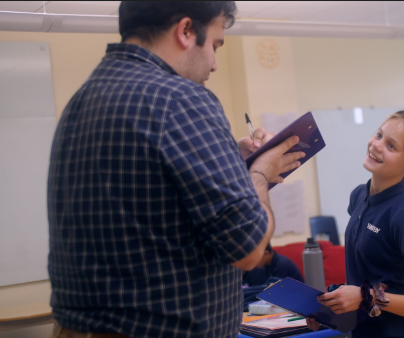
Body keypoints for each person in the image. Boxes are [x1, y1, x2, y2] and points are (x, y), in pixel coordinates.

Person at [47, 2, 306, 338]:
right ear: (185, 31)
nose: (214, 64)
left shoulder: (83, 99)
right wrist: (259, 172)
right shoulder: (181, 98)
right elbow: (249, 246)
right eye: (214, 45)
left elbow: (151, 201)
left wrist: (230, 162)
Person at [307, 110, 404, 338]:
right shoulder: (359, 196)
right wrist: (332, 308)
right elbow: (366, 279)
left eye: (391, 146)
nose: (376, 145)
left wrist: (365, 296)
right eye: (379, 135)